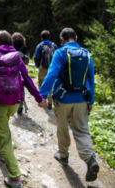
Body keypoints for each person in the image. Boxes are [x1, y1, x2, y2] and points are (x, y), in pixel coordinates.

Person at [0, 30, 47, 188]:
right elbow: (27, 79)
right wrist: (38, 98)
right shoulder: (17, 56)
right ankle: (2, 149)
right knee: (3, 128)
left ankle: (14, 177)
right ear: (10, 42)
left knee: (4, 136)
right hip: (14, 102)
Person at [39, 27, 99, 182]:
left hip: (63, 98)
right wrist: (90, 101)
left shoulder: (60, 53)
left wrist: (42, 95)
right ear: (76, 37)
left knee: (62, 127)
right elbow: (91, 79)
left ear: (62, 39)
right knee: (81, 130)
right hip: (81, 99)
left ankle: (63, 155)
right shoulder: (86, 53)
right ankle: (90, 159)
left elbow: (51, 74)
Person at [34, 30, 58, 109]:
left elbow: (36, 57)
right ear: (49, 37)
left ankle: (42, 100)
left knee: (41, 82)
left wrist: (38, 65)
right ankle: (50, 102)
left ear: (41, 37)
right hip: (52, 68)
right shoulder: (54, 45)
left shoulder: (40, 45)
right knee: (51, 83)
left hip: (42, 67)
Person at [11, 32, 29, 115]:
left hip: (11, 72)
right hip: (21, 71)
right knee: (21, 88)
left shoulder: (10, 49)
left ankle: (12, 102)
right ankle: (21, 104)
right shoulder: (24, 48)